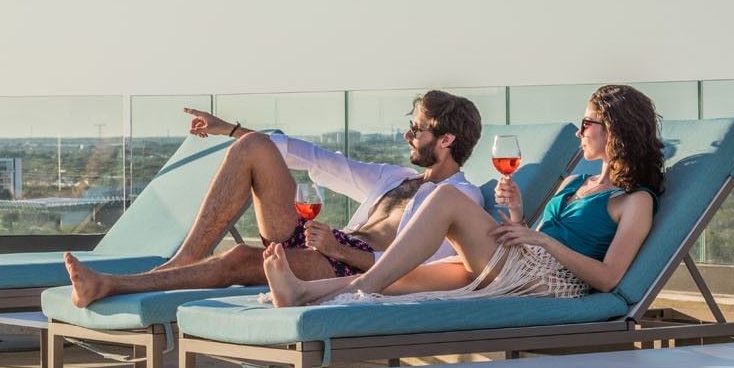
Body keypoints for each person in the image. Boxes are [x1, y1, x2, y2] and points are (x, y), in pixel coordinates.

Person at [65, 91, 485, 307]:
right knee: (256, 146)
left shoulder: (461, 200)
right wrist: (229, 129)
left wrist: (340, 250)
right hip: (327, 243)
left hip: (344, 262)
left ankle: (110, 285)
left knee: (238, 259)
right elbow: (315, 159)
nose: (408, 135)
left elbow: (419, 269)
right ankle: (185, 259)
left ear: (446, 139)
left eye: (418, 129)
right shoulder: (394, 177)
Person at [263, 84, 663, 307]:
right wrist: (518, 217)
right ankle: (302, 292)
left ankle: (355, 288)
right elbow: (534, 238)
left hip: (553, 282)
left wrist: (540, 240)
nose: (579, 131)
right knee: (399, 281)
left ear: (614, 129)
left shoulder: (635, 201)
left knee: (447, 199)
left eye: (587, 123)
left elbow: (609, 278)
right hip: (525, 262)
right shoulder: (574, 181)